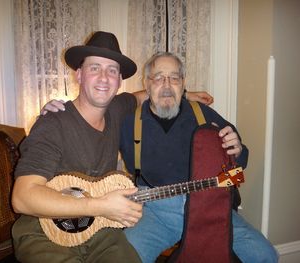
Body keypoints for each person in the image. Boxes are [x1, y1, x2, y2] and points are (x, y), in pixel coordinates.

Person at [11, 31, 212, 263]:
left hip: (96, 231)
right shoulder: (53, 124)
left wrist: (184, 95)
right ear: (79, 74)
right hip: (44, 230)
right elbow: (22, 197)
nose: (104, 78)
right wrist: (100, 206)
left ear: (118, 81)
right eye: (95, 68)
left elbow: (142, 96)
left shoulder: (117, 110)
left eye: (112, 70)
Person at [119, 52, 279, 263]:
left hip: (210, 208)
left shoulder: (203, 114)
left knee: (265, 256)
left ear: (183, 84)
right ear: (147, 85)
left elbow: (239, 163)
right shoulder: (130, 123)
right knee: (122, 258)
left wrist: (238, 151)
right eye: (158, 78)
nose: (167, 85)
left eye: (174, 78)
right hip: (156, 214)